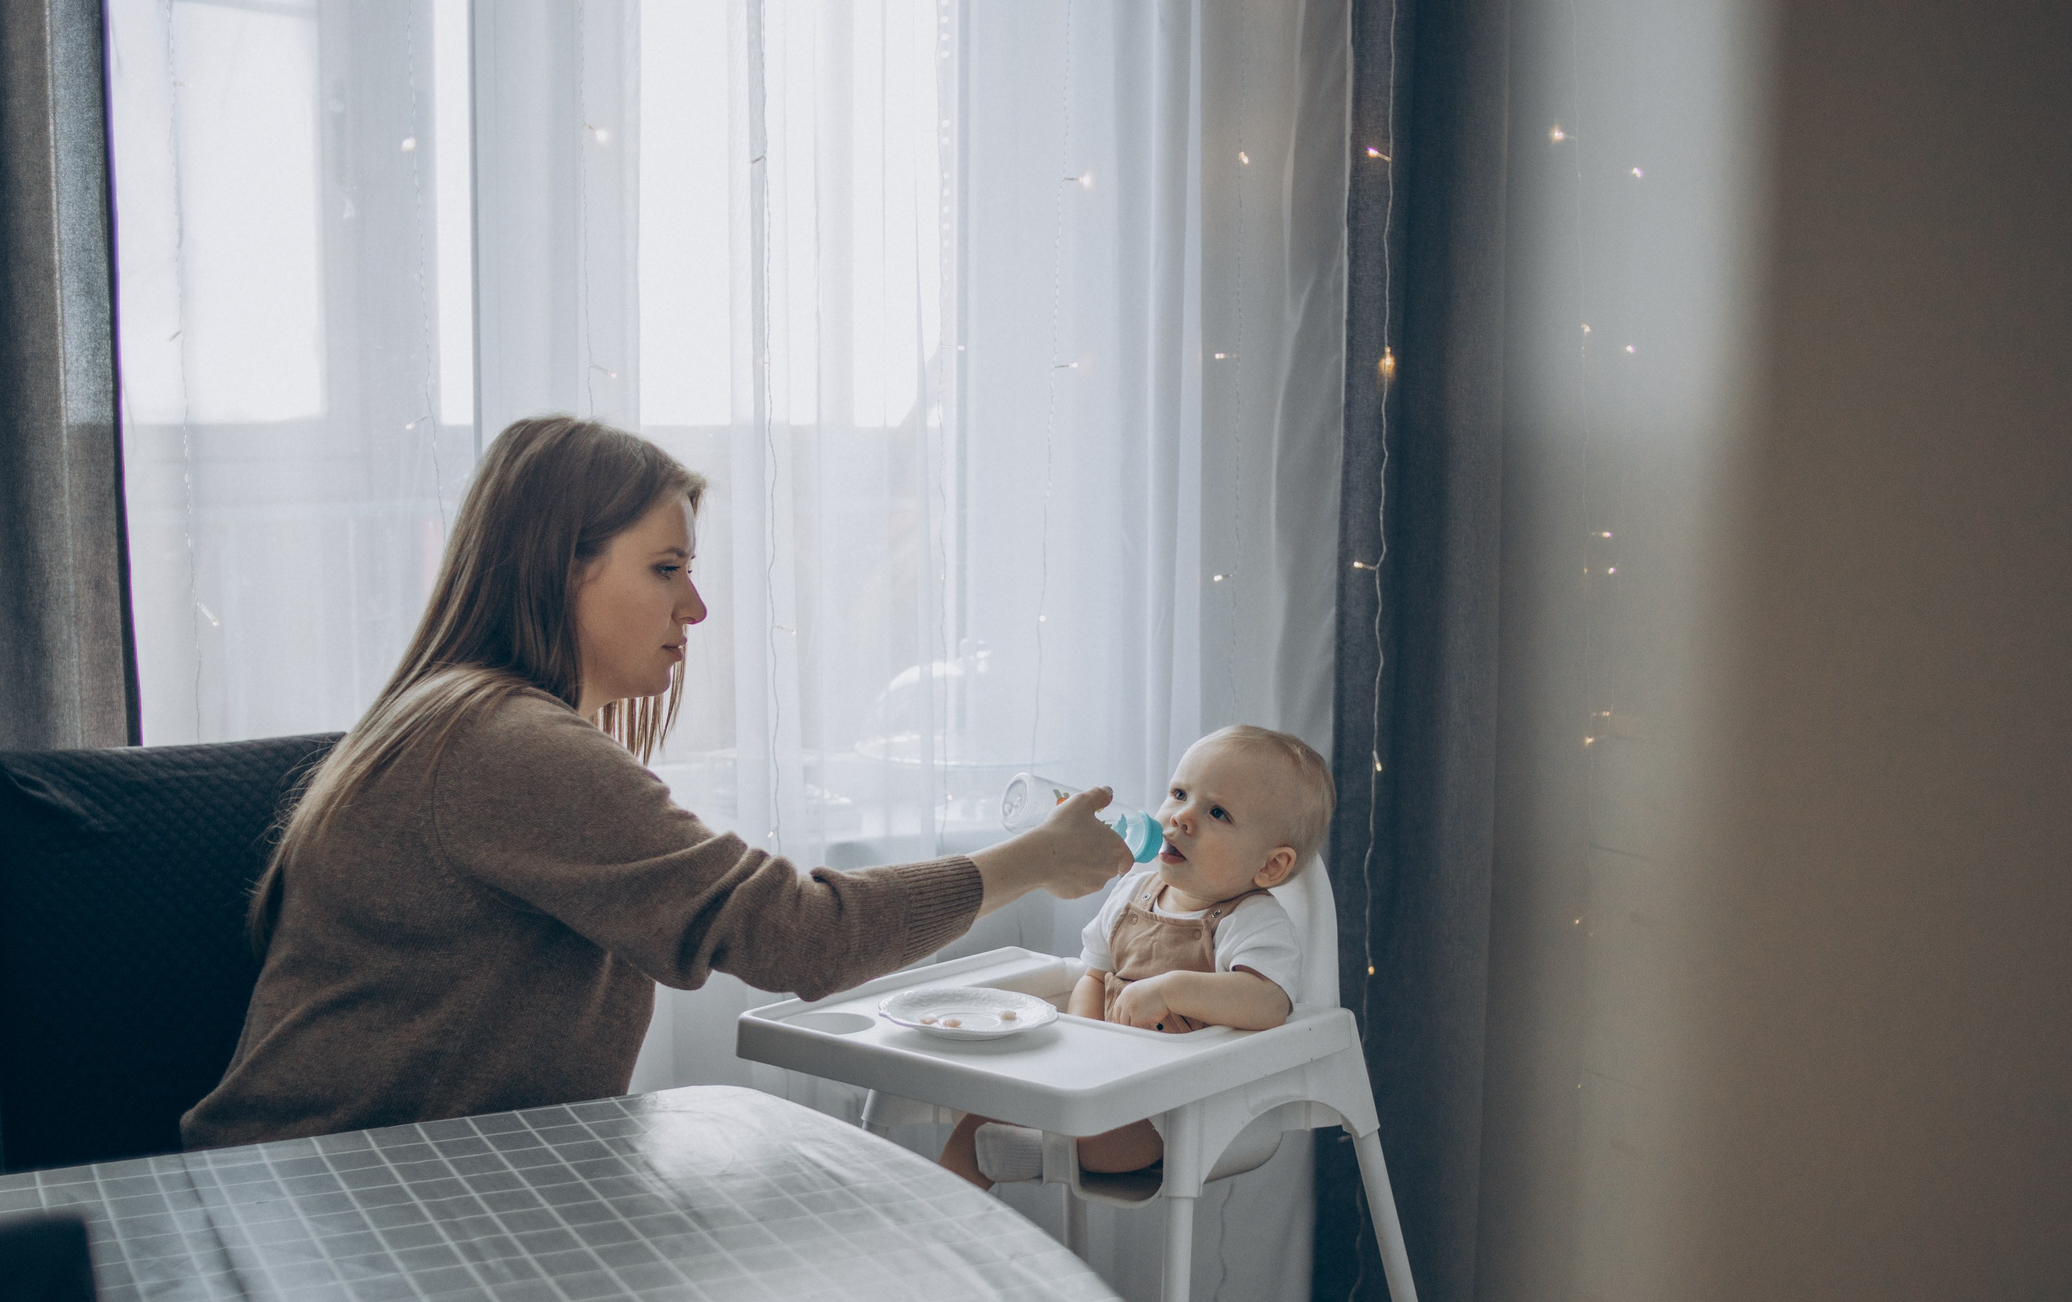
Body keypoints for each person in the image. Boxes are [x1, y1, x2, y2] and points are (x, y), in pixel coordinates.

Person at [183, 416, 1130, 1150]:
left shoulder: (458, 720)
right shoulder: (511, 748)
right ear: (558, 571)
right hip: (339, 1192)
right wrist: (1034, 860)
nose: (697, 607)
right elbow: (801, 935)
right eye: (666, 569)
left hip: (361, 1173)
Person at [936, 725, 1334, 1190]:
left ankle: (1039, 1153)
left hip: (1172, 1111)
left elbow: (1268, 1003)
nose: (1182, 817)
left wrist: (1171, 990)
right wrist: (1084, 1041)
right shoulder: (1131, 893)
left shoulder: (1252, 921)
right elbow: (1093, 975)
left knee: (1101, 1135)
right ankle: (935, 1218)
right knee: (984, 1111)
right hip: (1101, 1075)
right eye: (1179, 793)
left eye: (1217, 813)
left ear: (1270, 865)